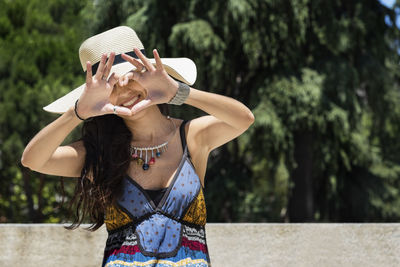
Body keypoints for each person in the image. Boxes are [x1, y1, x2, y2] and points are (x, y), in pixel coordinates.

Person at [21, 26, 254, 267]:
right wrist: (77, 112)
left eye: (131, 77)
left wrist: (178, 91)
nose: (124, 90)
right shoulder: (98, 153)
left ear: (148, 74)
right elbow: (33, 160)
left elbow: (244, 119)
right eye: (112, 85)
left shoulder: (191, 136)